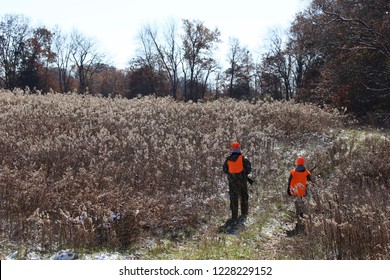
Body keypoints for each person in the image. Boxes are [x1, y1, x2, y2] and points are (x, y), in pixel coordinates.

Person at [223, 142, 252, 223]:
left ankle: (234, 216)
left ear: (232, 149)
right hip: (242, 181)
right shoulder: (243, 159)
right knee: (244, 197)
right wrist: (243, 173)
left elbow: (225, 170)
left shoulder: (228, 159)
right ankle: (244, 214)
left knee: (233, 198)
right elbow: (249, 169)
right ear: (239, 149)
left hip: (232, 182)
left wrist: (232, 174)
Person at [287, 156, 312, 234]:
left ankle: (299, 226)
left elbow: (289, 182)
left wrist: (288, 191)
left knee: (298, 209)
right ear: (303, 163)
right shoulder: (307, 172)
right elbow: (310, 182)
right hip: (303, 194)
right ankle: (302, 226)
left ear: (297, 163)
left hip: (295, 193)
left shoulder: (293, 172)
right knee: (302, 209)